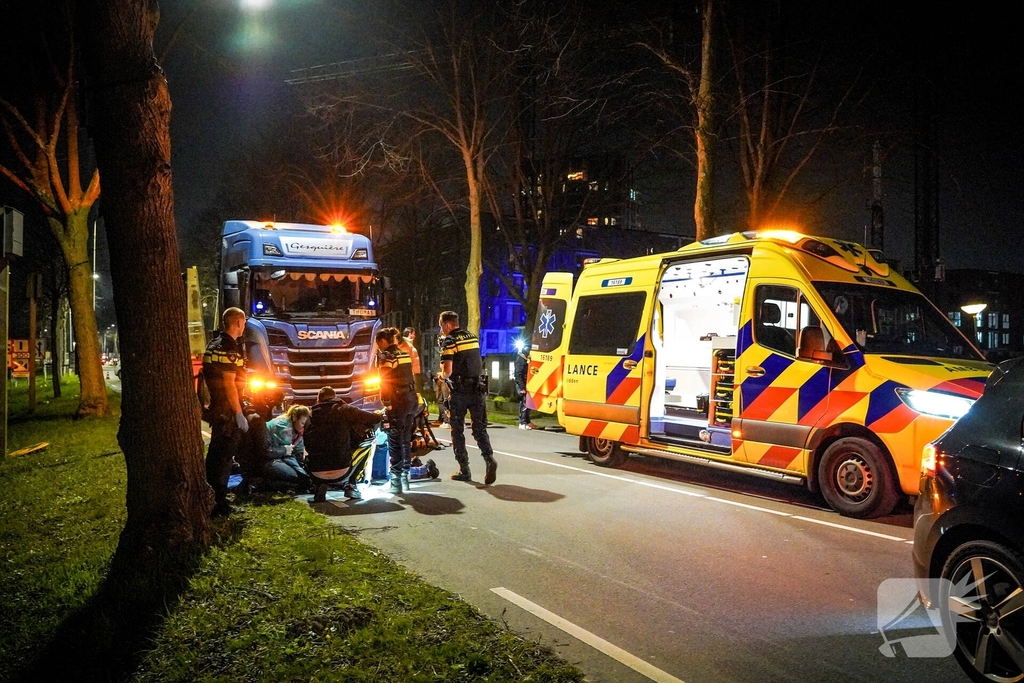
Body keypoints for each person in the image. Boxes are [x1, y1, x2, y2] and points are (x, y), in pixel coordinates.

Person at [438, 310, 497, 485]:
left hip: (460, 392)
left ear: (448, 325)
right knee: (479, 429)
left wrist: (440, 377)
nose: (441, 329)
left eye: (441, 326)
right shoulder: (472, 337)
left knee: (457, 431)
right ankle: (489, 459)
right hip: (477, 389)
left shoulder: (449, 341)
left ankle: (464, 469)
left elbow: (447, 371)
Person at [203, 306, 249, 517]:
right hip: (226, 412)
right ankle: (219, 504)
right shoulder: (229, 347)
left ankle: (211, 497)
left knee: (216, 456)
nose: (244, 326)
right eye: (244, 322)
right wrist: (238, 412)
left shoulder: (214, 343)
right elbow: (229, 384)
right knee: (223, 458)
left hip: (216, 408)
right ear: (238, 323)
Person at [305, 386, 383, 503]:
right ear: (335, 397)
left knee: (316, 453)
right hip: (342, 470)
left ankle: (320, 487)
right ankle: (351, 485)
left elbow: (307, 444)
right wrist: (379, 414)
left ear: (318, 399)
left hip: (316, 472)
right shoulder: (344, 409)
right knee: (367, 444)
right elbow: (373, 418)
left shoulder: (311, 416)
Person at [376, 327, 420, 494]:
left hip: (398, 401)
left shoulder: (387, 356)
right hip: (410, 399)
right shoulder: (404, 354)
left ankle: (396, 481)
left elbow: (384, 381)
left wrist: (386, 402)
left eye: (377, 344)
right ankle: (405, 477)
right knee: (406, 439)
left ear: (382, 341)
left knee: (394, 439)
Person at [260, 404, 312, 491]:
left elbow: (297, 453)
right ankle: (262, 483)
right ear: (294, 417)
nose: (303, 427)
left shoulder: (296, 432)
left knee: (300, 476)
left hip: (278, 458)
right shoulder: (282, 427)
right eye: (302, 423)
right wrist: (302, 472)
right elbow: (282, 453)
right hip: (267, 460)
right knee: (294, 476)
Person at [514, 346, 537, 430]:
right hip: (521, 384)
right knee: (524, 403)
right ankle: (522, 422)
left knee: (527, 403)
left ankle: (527, 421)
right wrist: (522, 387)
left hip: (526, 383)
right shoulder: (520, 360)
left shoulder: (526, 359)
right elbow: (518, 374)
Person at [399, 327, 423, 395]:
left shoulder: (409, 344)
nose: (415, 336)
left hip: (411, 372)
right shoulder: (405, 345)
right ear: (409, 334)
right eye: (413, 334)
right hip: (407, 373)